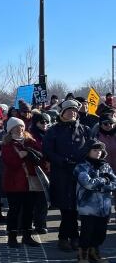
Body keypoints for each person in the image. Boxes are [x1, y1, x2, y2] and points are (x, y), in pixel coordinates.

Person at [44, 98, 90, 252]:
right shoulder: (53, 130)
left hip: (80, 174)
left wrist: (81, 159)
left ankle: (72, 237)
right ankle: (66, 238)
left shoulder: (85, 129)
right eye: (69, 111)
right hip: (61, 174)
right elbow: (48, 151)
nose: (72, 113)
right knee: (66, 209)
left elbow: (92, 147)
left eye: (75, 111)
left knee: (76, 208)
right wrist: (62, 161)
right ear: (62, 113)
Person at [1, 117, 43, 248]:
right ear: (11, 129)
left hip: (30, 182)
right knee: (14, 210)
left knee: (29, 210)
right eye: (17, 127)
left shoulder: (30, 141)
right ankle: (12, 237)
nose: (20, 129)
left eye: (22, 126)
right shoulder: (7, 144)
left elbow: (40, 156)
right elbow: (11, 162)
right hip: (14, 183)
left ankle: (27, 236)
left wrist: (31, 153)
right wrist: (22, 155)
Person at [74, 140, 116, 263]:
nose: (98, 153)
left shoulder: (106, 166)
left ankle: (94, 253)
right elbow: (87, 184)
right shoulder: (81, 166)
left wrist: (100, 184)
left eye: (100, 150)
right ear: (88, 151)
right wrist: (103, 180)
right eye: (95, 150)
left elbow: (114, 183)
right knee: (87, 231)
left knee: (101, 231)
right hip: (87, 205)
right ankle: (82, 254)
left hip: (104, 205)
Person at [29, 112, 52, 233]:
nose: (45, 124)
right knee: (34, 200)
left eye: (47, 122)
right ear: (36, 123)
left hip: (47, 171)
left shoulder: (49, 134)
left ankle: (41, 224)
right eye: (42, 122)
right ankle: (32, 222)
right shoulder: (31, 136)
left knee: (44, 200)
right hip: (34, 171)